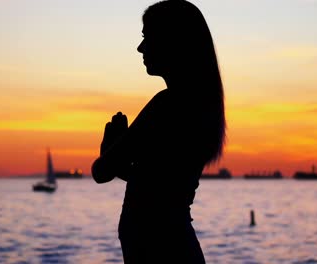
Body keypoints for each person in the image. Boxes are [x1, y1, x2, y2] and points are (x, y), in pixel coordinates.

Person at [91, 0, 226, 263]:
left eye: (147, 37)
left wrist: (110, 148)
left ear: (174, 41)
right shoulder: (197, 105)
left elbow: (101, 171)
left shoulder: (167, 105)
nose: (140, 47)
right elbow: (155, 181)